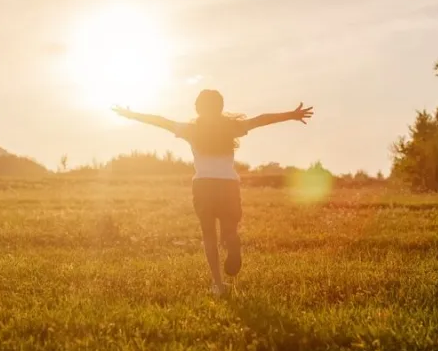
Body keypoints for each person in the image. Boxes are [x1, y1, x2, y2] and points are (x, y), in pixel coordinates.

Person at [112, 90, 314, 296]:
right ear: (220, 108)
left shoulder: (190, 130)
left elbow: (160, 121)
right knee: (229, 231)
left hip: (203, 186)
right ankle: (232, 244)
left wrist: (132, 115)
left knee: (209, 235)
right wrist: (291, 114)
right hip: (228, 185)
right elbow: (261, 119)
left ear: (198, 109)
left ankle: (218, 285)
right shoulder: (231, 128)